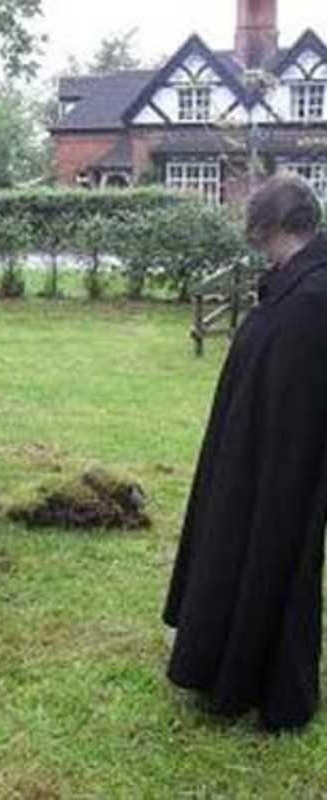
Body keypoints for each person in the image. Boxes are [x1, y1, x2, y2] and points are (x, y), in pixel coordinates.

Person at [164, 175, 327, 732]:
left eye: (263, 237)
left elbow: (298, 408)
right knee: (232, 549)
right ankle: (220, 664)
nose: (260, 248)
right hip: (248, 456)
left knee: (268, 561)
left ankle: (255, 683)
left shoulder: (312, 298)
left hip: (279, 471)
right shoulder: (290, 284)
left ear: (282, 227)